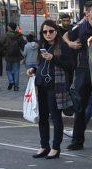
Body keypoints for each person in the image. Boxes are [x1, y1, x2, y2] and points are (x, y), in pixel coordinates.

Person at [63, 0, 92, 150]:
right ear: (87, 14)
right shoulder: (80, 27)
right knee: (80, 107)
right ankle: (77, 141)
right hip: (83, 69)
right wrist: (70, 44)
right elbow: (65, 36)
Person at [28, 19, 71, 160]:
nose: (48, 34)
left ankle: (55, 148)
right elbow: (41, 64)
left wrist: (53, 58)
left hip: (55, 86)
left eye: (51, 31)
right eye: (45, 32)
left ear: (56, 31)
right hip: (41, 85)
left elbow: (69, 66)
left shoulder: (63, 46)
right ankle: (44, 146)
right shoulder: (43, 46)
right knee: (43, 118)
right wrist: (33, 69)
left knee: (56, 117)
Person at [3, 25, 26, 91]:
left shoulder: (6, 35)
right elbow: (23, 46)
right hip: (16, 55)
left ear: (10, 28)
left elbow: (1, 43)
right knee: (16, 71)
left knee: (8, 70)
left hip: (8, 55)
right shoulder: (19, 35)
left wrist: (3, 51)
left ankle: (11, 81)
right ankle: (16, 86)